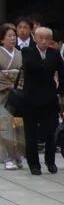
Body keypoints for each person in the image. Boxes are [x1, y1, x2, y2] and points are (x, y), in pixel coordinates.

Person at [20, 26, 64, 175]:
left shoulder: (55, 53)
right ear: (35, 38)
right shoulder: (27, 51)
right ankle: (34, 164)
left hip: (49, 98)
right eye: (41, 38)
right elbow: (31, 67)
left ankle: (50, 161)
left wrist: (60, 92)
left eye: (47, 38)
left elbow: (62, 74)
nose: (44, 41)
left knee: (51, 131)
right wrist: (45, 65)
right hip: (31, 98)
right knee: (31, 133)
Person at [0, 24, 25, 170]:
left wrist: (14, 77)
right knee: (5, 126)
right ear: (2, 39)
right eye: (9, 36)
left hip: (17, 95)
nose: (12, 38)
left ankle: (18, 155)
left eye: (14, 36)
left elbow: (23, 74)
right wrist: (8, 77)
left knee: (19, 126)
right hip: (2, 94)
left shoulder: (20, 54)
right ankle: (7, 158)